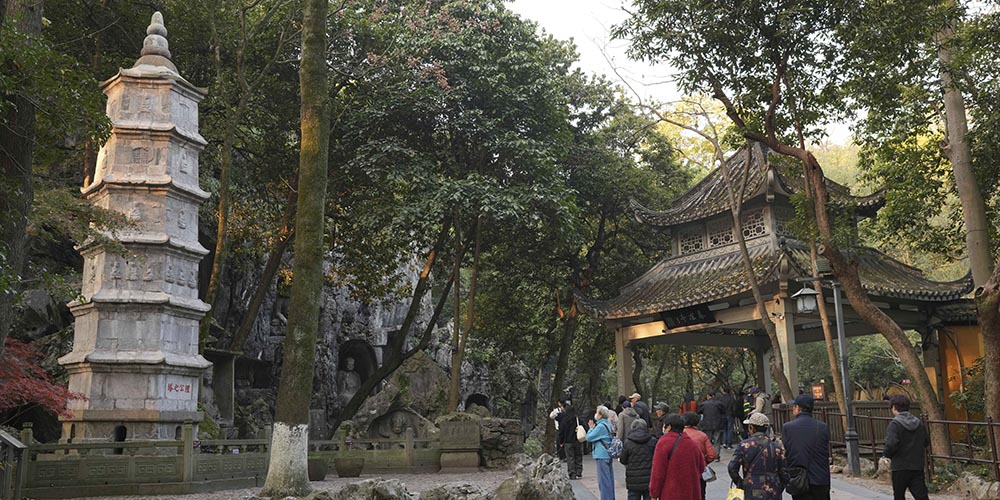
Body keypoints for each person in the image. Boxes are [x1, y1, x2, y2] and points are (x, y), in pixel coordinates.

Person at [781, 395, 830, 500]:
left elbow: (788, 451)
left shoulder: (788, 427)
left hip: (799, 479)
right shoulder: (822, 427)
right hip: (820, 478)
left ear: (798, 408)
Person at [729, 413, 787, 500]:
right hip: (773, 491)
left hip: (751, 490)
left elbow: (732, 467)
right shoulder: (776, 447)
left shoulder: (744, 445)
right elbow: (784, 472)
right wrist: (779, 487)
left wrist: (740, 483)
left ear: (752, 428)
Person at [884, 394, 930, 500]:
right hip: (917, 465)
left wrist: (886, 455)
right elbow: (926, 441)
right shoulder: (919, 423)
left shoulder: (894, 424)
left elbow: (891, 444)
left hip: (899, 466)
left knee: (899, 496)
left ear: (894, 407)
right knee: (921, 496)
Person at [649, 413, 704, 500]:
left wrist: (654, 493)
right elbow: (701, 467)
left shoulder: (664, 443)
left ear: (669, 427)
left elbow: (658, 472)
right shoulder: (692, 444)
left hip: (670, 493)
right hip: (691, 493)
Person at [621, 419, 658, 500]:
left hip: (633, 480)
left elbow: (623, 460)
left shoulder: (628, 442)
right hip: (649, 479)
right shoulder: (653, 441)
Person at [683, 412, 717, 500]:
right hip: (699, 472)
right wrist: (703, 461)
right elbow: (712, 455)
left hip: (683, 472)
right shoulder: (702, 435)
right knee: (700, 495)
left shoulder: (679, 435)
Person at [586, 405, 617, 500]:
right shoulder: (607, 424)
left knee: (603, 481)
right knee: (609, 479)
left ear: (600, 415)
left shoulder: (600, 427)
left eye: (597, 412)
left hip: (602, 455)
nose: (595, 414)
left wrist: (591, 428)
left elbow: (589, 437)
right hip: (607, 454)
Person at [557, 399, 584, 479]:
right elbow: (584, 427)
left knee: (570, 457)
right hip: (577, 440)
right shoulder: (578, 419)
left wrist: (561, 441)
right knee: (578, 456)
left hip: (568, 442)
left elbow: (561, 432)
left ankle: (572, 473)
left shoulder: (564, 420)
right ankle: (579, 471)